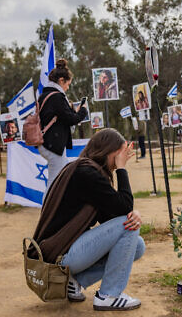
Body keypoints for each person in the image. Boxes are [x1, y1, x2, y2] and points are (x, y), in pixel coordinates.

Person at [30, 129, 144, 311]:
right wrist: (122, 169)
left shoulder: (85, 170)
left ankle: (75, 282)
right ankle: (109, 295)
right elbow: (123, 211)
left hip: (65, 252)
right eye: (119, 155)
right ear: (108, 151)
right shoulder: (86, 174)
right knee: (127, 226)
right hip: (60, 257)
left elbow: (112, 215)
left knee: (137, 245)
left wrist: (132, 214)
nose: (120, 161)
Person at [39, 59, 89, 192]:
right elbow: (72, 119)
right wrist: (83, 110)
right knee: (54, 183)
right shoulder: (57, 97)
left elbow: (63, 116)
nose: (68, 87)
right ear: (61, 81)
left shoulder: (45, 95)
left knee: (58, 179)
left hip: (47, 143)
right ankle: (48, 210)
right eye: (68, 84)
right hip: (53, 145)